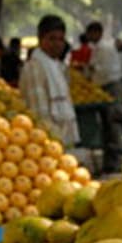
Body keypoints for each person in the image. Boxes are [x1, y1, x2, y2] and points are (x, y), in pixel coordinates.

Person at [19, 16, 80, 147]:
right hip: (48, 143)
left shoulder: (58, 66)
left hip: (63, 139)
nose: (57, 44)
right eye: (52, 38)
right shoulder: (34, 67)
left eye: (61, 39)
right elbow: (39, 113)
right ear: (41, 39)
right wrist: (54, 143)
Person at [85, 22, 122, 172]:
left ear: (97, 33)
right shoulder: (97, 48)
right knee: (107, 127)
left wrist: (90, 70)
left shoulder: (104, 48)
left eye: (90, 33)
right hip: (103, 88)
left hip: (110, 87)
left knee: (113, 124)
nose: (88, 37)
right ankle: (110, 161)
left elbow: (103, 71)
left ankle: (116, 162)